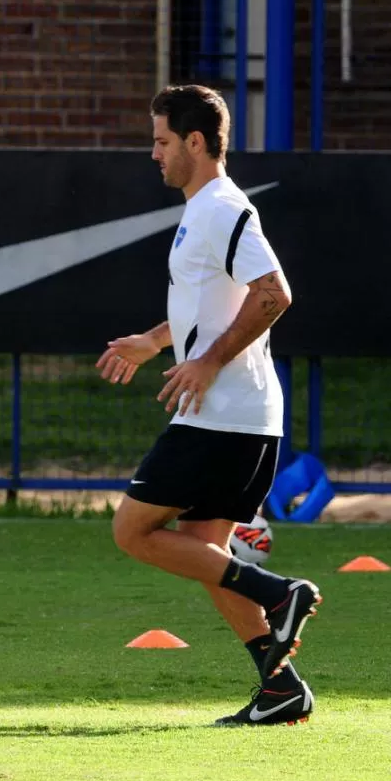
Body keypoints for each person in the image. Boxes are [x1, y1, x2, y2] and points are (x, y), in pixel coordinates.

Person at [96, 84, 321, 726]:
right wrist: (156, 339)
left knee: (133, 531)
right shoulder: (204, 209)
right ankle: (280, 688)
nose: (153, 153)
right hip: (233, 417)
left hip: (224, 415)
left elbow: (274, 294)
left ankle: (279, 592)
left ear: (196, 142)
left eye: (162, 141)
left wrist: (209, 361)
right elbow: (213, 301)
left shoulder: (223, 207)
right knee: (203, 547)